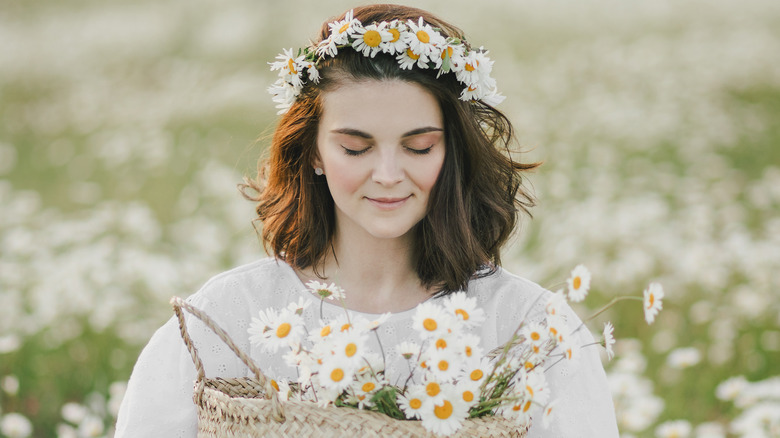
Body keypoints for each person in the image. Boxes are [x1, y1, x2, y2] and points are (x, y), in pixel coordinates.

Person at [115, 4, 619, 437]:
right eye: (355, 147)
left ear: (454, 150)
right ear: (313, 150)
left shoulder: (533, 332)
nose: (387, 175)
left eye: (418, 146)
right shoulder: (225, 322)